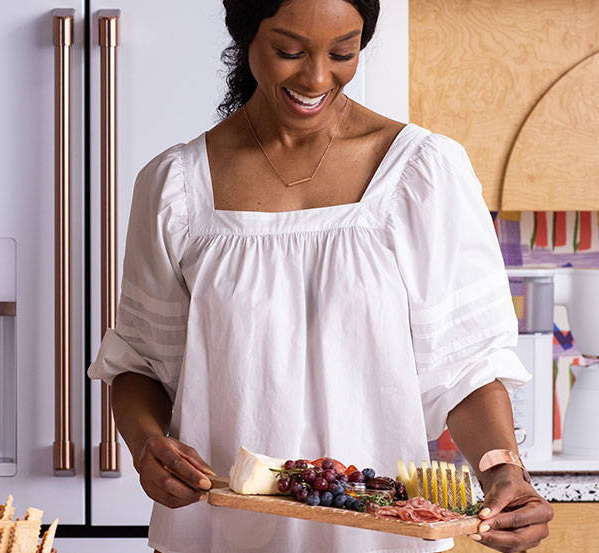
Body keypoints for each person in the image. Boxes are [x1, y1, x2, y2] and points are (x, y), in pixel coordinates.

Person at [87, 0, 553, 552]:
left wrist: (504, 471)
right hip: (218, 535)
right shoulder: (176, 186)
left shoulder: (423, 173)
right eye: (288, 51)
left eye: (342, 53)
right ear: (245, 36)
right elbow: (140, 364)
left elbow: (469, 365)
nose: (315, 77)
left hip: (379, 539)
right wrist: (146, 446)